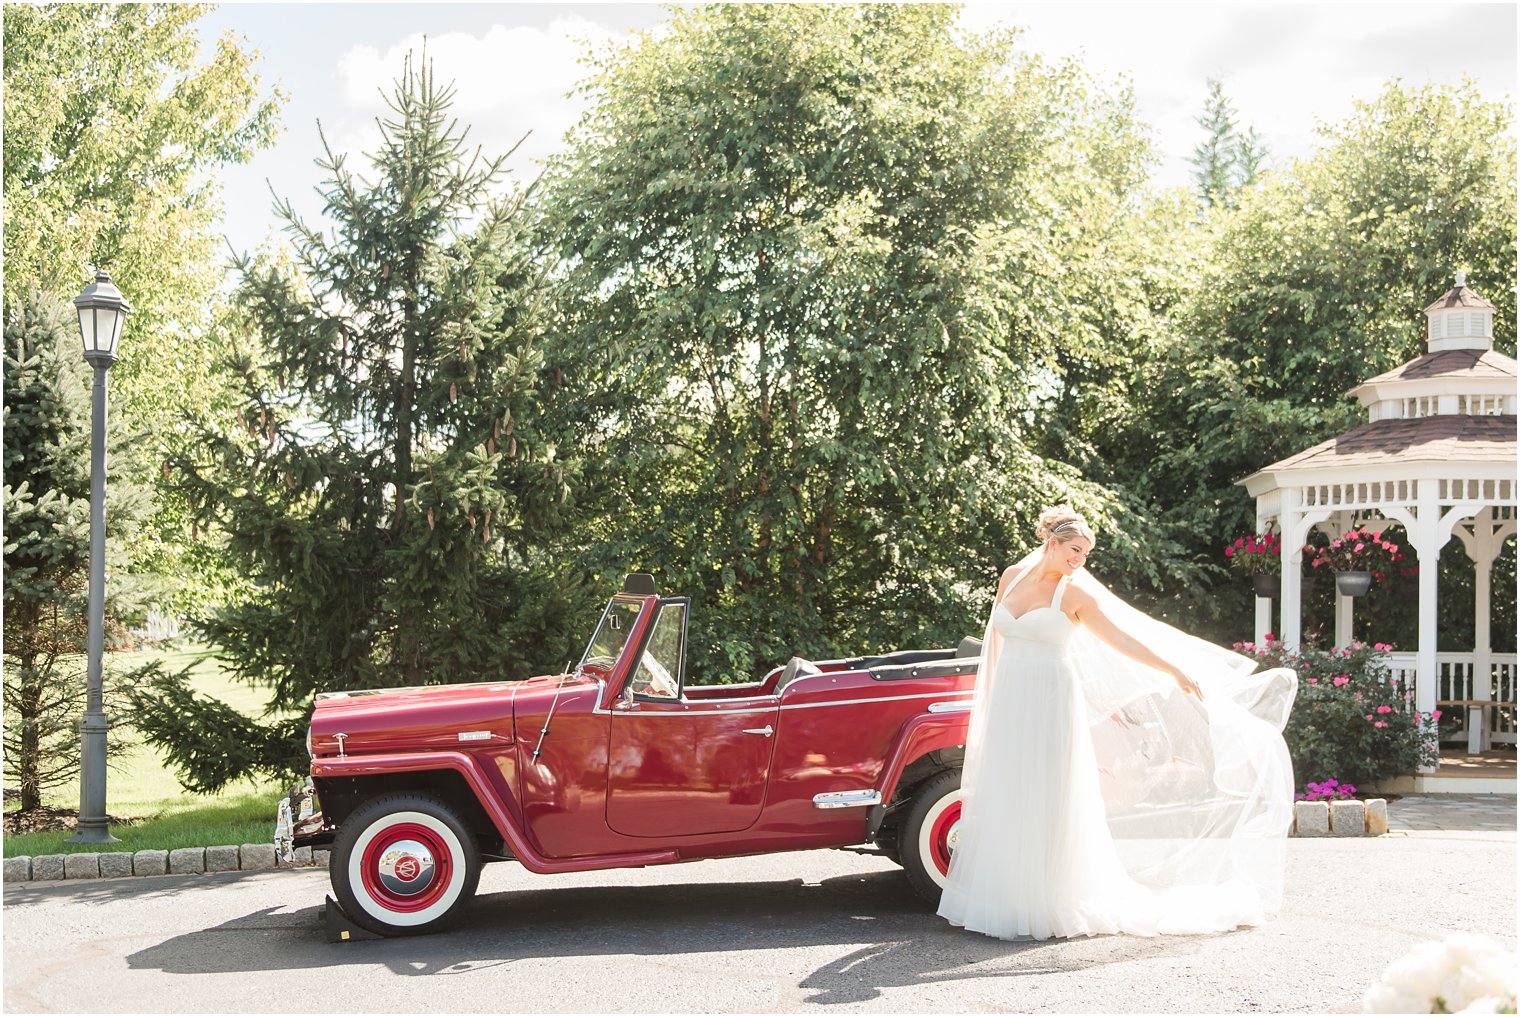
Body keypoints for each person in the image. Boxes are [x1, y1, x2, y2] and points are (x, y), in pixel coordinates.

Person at [937, 505, 1297, 941]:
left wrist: (1172, 669)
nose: (1080, 560)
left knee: (1048, 792)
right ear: (1052, 543)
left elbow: (1123, 639)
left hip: (1051, 700)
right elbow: (995, 636)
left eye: (1085, 554)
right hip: (1012, 698)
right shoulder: (1010, 576)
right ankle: (1007, 897)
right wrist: (990, 699)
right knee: (1011, 789)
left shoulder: (1074, 596)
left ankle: (1050, 899)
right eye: (1074, 550)